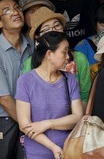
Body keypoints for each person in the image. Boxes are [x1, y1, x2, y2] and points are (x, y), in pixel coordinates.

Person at [16, 31, 83, 159]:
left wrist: (47, 124)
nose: (68, 56)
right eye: (64, 52)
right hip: (37, 154)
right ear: (49, 54)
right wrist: (52, 147)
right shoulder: (25, 81)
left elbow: (78, 117)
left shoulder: (70, 79)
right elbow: (25, 125)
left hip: (69, 151)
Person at [22, 7, 91, 110]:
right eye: (46, 29)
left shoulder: (79, 58)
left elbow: (85, 95)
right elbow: (26, 100)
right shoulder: (30, 63)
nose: (53, 30)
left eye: (57, 25)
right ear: (37, 36)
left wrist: (78, 120)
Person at [0, 0, 33, 159]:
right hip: (4, 118)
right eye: (6, 11)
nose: (15, 12)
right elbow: (4, 99)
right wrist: (28, 125)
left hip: (30, 117)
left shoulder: (32, 45)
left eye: (17, 7)